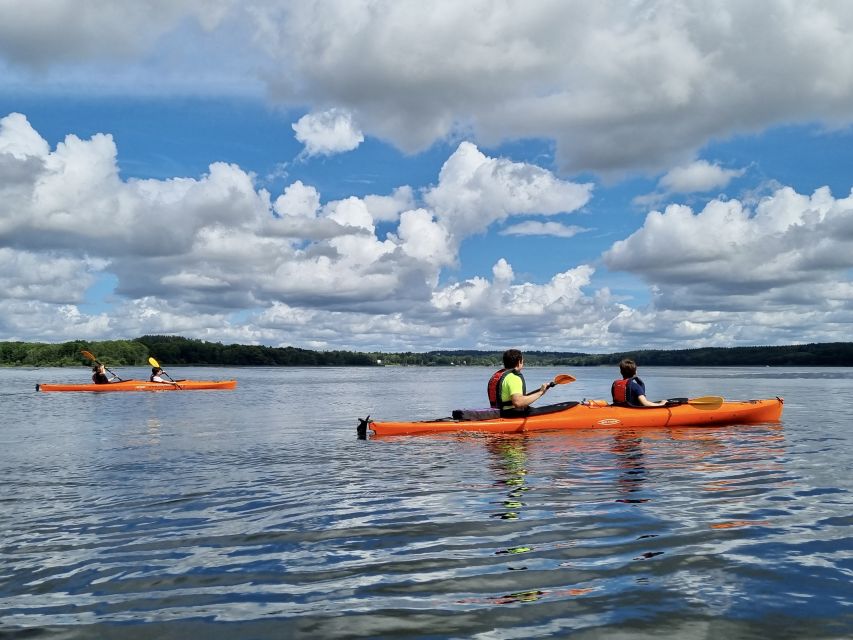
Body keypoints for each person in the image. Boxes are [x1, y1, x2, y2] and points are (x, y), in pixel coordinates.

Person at [487, 348, 550, 416]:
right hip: (511, 415)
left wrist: (539, 391)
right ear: (519, 362)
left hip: (499, 413)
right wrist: (541, 393)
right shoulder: (514, 378)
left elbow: (513, 398)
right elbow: (518, 403)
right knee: (549, 410)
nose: (522, 363)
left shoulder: (499, 376)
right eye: (522, 361)